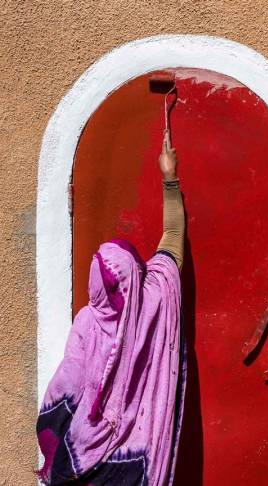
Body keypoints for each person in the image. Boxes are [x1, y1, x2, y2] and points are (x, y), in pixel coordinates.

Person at [36, 130, 186, 486]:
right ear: (136, 271)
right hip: (140, 462)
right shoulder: (157, 298)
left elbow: (68, 384)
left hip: (90, 461)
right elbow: (173, 239)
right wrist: (169, 176)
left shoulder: (88, 322)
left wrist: (54, 440)